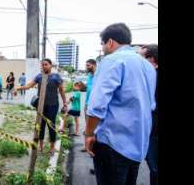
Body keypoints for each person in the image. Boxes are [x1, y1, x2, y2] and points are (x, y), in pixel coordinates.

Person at [84, 23, 156, 185]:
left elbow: (96, 106)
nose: (102, 49)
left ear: (110, 42)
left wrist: (89, 134)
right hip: (138, 146)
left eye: (102, 44)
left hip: (113, 144)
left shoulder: (112, 61)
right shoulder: (148, 66)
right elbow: (150, 105)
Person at [14, 58, 68, 155]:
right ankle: (41, 147)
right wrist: (18, 88)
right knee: (41, 126)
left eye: (46, 64)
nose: (43, 66)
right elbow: (28, 86)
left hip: (53, 105)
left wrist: (64, 103)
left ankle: (52, 148)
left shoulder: (56, 77)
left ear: (51, 65)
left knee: (51, 126)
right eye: (42, 65)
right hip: (41, 106)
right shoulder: (39, 77)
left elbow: (61, 91)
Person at [139, 44, 158, 185]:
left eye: (142, 58)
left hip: (154, 132)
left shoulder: (153, 77)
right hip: (152, 131)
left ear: (152, 59)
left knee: (155, 167)